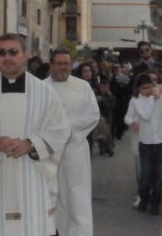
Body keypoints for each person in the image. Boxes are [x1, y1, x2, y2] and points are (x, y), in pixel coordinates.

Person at [0, 33, 71, 236]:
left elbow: (60, 129)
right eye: (2, 52)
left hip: (33, 176)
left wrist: (31, 144)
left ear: (25, 55)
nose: (8, 57)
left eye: (13, 52)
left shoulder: (45, 92)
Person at [44, 48, 99, 236]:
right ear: (52, 65)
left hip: (74, 147)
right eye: (59, 63)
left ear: (71, 65)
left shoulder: (82, 86)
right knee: (50, 193)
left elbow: (92, 114)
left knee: (76, 195)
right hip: (47, 149)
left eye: (66, 63)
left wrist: (66, 131)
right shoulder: (40, 87)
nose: (63, 67)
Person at [132, 73, 162, 216]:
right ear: (139, 89)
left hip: (161, 141)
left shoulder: (158, 97)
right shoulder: (137, 102)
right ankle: (144, 198)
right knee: (146, 174)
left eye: (150, 87)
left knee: (160, 175)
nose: (147, 90)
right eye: (144, 88)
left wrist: (161, 96)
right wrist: (151, 100)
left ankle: (156, 203)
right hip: (146, 142)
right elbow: (146, 115)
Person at [96, 76, 116, 156]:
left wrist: (102, 101)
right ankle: (102, 148)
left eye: (106, 87)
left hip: (107, 118)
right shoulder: (97, 95)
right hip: (99, 117)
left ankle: (109, 148)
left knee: (107, 133)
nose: (104, 88)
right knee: (100, 135)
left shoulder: (110, 96)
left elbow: (111, 106)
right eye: (102, 87)